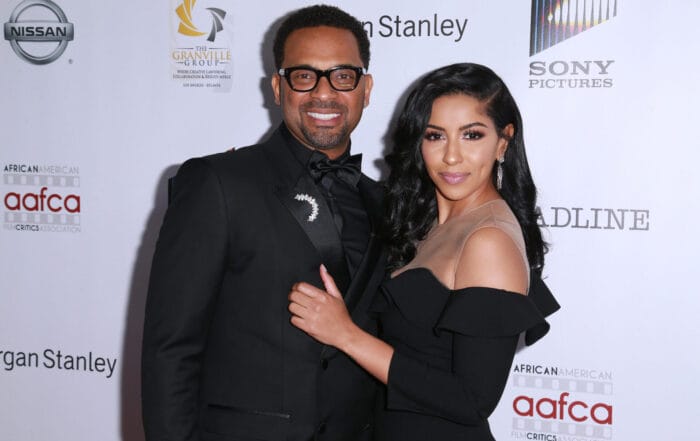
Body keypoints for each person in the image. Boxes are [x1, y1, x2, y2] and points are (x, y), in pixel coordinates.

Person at [141, 5, 386, 441]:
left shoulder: (383, 202)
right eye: (304, 75)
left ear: (365, 89)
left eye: (342, 76)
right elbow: (170, 349)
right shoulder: (217, 183)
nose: (323, 93)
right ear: (278, 86)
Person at [288, 63, 560, 440]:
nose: (451, 156)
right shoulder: (429, 220)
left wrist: (346, 335)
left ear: (503, 141)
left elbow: (471, 400)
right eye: (435, 136)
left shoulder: (488, 240)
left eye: (472, 135)